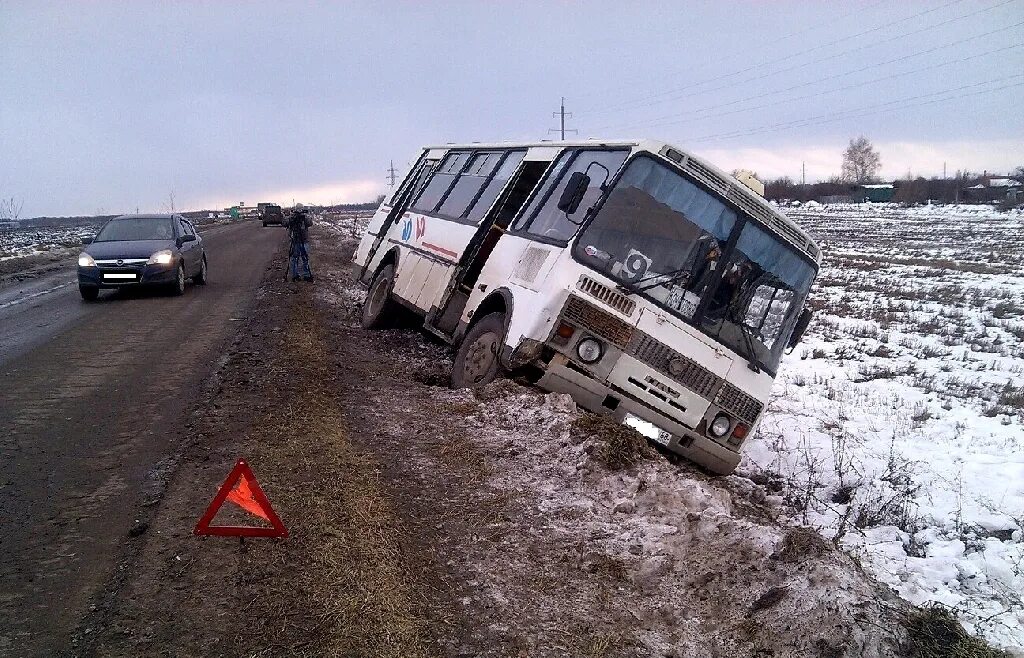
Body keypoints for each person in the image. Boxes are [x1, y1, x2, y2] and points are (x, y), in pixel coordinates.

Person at [286, 204, 313, 282]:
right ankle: (298, 275)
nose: (299, 211)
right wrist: (292, 218)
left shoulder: (304, 217)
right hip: (297, 240)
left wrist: (304, 217)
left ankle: (303, 275)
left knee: (301, 258)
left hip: (302, 240)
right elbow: (285, 223)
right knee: (298, 258)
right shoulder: (292, 217)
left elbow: (310, 223)